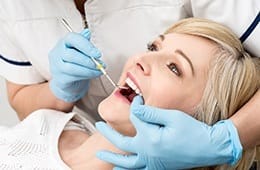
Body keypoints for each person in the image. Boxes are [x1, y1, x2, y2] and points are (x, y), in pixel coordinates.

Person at [0, 0, 259, 169]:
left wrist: (226, 140)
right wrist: (58, 90)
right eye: (152, 46)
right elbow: (21, 96)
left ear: (203, 120)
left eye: (174, 68)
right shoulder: (46, 125)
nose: (141, 59)